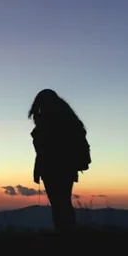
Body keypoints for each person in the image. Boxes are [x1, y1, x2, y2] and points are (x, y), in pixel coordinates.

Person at [28, 89, 91, 233]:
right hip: (66, 168)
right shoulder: (67, 119)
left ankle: (64, 234)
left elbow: (44, 148)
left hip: (53, 168)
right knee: (63, 203)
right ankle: (67, 233)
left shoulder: (49, 121)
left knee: (59, 205)